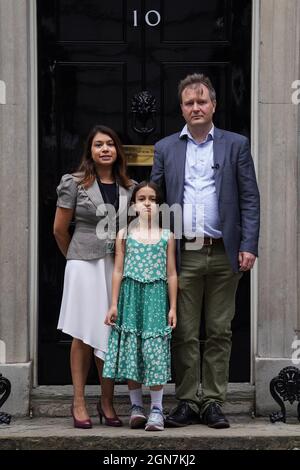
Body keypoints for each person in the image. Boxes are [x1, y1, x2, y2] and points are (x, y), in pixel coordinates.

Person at [151, 73, 260, 429]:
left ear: (214, 105)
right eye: (189, 103)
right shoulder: (166, 148)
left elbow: (249, 198)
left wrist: (248, 245)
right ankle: (186, 401)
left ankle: (212, 401)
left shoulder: (235, 145)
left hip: (225, 251)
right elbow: (153, 199)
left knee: (218, 329)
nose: (195, 108)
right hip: (183, 253)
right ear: (181, 109)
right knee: (182, 330)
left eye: (202, 101)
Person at [53, 124, 135, 428]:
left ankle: (106, 401)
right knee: (82, 333)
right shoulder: (74, 183)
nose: (104, 149)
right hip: (82, 264)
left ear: (117, 151)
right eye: (98, 144)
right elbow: (60, 230)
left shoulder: (130, 186)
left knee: (109, 334)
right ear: (90, 150)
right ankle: (78, 401)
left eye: (110, 144)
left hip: (115, 266)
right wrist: (75, 258)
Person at [102, 181, 177, 431]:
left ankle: (156, 409)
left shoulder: (167, 236)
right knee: (133, 349)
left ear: (160, 206)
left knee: (154, 350)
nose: (147, 203)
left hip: (156, 299)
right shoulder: (125, 234)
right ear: (133, 204)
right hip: (130, 298)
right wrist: (113, 304)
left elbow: (172, 273)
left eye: (153, 199)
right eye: (142, 198)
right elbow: (118, 270)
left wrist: (173, 307)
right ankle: (136, 407)